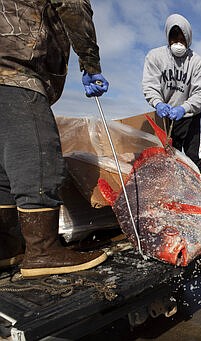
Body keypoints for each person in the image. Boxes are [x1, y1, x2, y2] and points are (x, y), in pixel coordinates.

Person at [0, 0, 109, 277]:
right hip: (17, 69)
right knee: (39, 160)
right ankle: (42, 250)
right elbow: (73, 6)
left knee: (3, 171)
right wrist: (91, 63)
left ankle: (7, 248)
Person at [142, 13, 201, 173]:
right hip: (166, 117)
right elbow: (150, 84)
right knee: (169, 158)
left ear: (188, 39)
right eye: (174, 39)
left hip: (190, 116)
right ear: (168, 37)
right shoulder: (155, 57)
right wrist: (157, 103)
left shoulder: (197, 62)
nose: (178, 43)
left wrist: (185, 108)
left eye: (182, 39)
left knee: (193, 157)